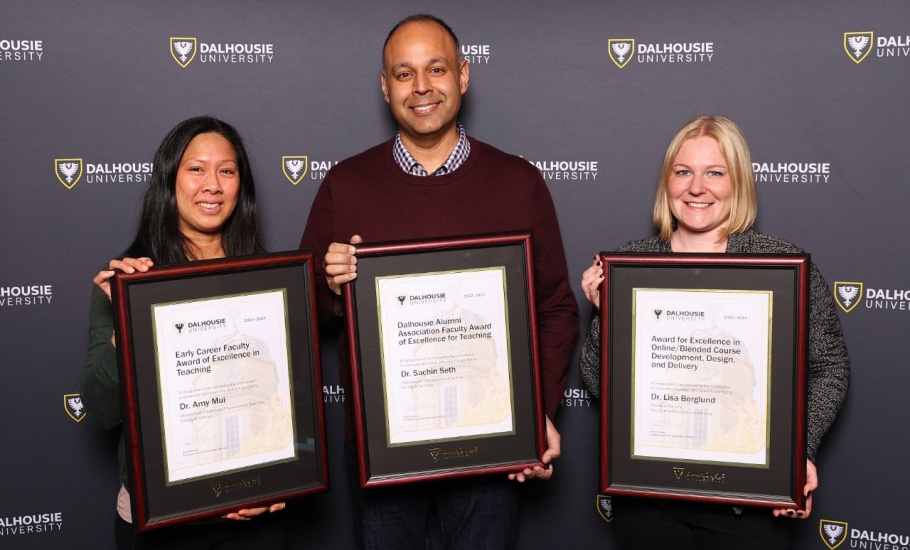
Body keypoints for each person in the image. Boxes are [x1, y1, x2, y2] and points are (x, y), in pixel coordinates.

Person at [299, 14, 578, 550]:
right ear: (385, 87)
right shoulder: (346, 184)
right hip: (384, 442)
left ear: (463, 76)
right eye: (404, 74)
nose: (421, 87)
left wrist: (535, 411)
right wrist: (332, 287)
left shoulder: (517, 182)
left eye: (436, 69)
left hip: (491, 437)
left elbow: (554, 309)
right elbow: (305, 315)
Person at [579, 115, 850, 549]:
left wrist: (797, 451)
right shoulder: (632, 262)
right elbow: (598, 383)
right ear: (667, 182)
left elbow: (828, 366)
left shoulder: (781, 264)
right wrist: (603, 316)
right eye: (683, 172)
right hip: (650, 495)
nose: (696, 187)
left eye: (715, 173)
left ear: (738, 182)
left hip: (749, 498)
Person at [80, 116, 286, 550]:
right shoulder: (127, 278)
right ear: (168, 180)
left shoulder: (273, 280)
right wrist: (124, 323)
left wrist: (277, 481)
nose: (212, 184)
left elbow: (286, 404)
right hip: (160, 522)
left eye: (226, 171)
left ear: (240, 186)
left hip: (252, 514)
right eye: (196, 169)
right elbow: (101, 410)